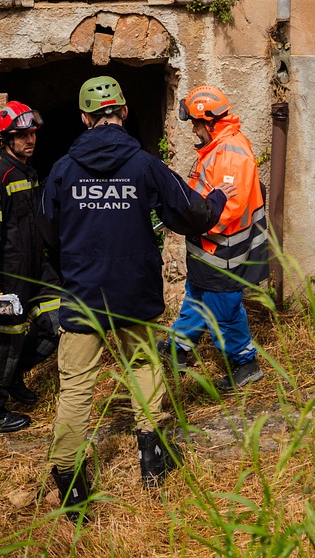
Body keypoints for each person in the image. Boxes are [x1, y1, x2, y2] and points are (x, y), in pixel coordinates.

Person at [41, 75, 233, 521]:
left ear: (85, 118)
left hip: (82, 297)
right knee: (144, 366)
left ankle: (70, 486)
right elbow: (193, 215)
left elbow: (47, 232)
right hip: (135, 294)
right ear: (123, 113)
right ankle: (153, 461)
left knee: (75, 386)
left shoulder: (63, 171)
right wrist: (221, 195)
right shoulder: (146, 166)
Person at [161, 84, 269, 391]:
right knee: (197, 296)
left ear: (210, 120)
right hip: (209, 250)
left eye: (196, 123)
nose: (193, 130)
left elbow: (225, 213)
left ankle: (245, 362)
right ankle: (178, 348)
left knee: (223, 309)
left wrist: (190, 224)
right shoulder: (217, 148)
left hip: (225, 251)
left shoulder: (232, 156)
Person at [0, 100, 61, 433]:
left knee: (58, 320)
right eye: (22, 135)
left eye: (32, 134)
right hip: (8, 278)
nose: (30, 140)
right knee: (3, 343)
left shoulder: (28, 172)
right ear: (6, 139)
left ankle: (11, 377)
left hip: (37, 272)